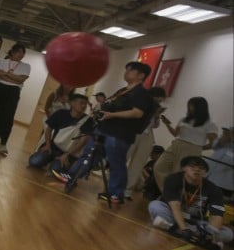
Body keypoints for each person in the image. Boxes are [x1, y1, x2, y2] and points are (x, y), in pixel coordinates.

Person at [52, 61, 155, 206]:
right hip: (103, 129)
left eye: (131, 70)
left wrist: (112, 115)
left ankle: (116, 194)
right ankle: (71, 177)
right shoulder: (122, 91)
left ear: (141, 75)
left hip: (119, 134)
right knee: (89, 154)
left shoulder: (141, 94)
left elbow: (137, 113)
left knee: (116, 163)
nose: (126, 72)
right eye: (127, 69)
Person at [148, 156, 233, 250]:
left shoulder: (214, 189)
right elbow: (175, 206)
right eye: (192, 167)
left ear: (205, 173)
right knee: (155, 205)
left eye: (201, 168)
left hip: (196, 222)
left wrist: (211, 234)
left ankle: (172, 228)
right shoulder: (172, 179)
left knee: (228, 234)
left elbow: (217, 215)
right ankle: (192, 234)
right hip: (174, 215)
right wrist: (184, 229)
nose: (197, 170)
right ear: (184, 168)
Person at [153, 97, 221, 190]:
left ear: (200, 107)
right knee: (159, 167)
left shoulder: (209, 124)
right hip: (176, 144)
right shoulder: (184, 119)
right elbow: (175, 134)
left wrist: (199, 148)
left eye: (192, 105)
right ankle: (167, 193)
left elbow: (214, 144)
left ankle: (172, 197)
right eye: (189, 105)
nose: (189, 107)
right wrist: (167, 124)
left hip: (192, 149)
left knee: (178, 174)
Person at [28, 92, 95, 175]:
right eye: (81, 103)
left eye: (85, 104)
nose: (84, 106)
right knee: (34, 162)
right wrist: (48, 145)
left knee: (55, 171)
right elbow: (49, 128)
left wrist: (67, 154)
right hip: (53, 147)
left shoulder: (88, 121)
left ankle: (56, 164)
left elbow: (83, 141)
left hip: (70, 153)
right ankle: (49, 159)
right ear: (72, 103)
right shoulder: (61, 113)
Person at [124, 86, 166, 200]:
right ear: (152, 95)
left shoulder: (156, 108)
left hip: (147, 135)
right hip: (134, 132)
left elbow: (155, 126)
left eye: (161, 100)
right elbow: (136, 117)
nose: (159, 102)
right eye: (158, 99)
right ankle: (114, 183)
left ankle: (128, 189)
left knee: (138, 163)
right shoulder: (141, 102)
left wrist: (157, 116)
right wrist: (152, 113)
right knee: (123, 158)